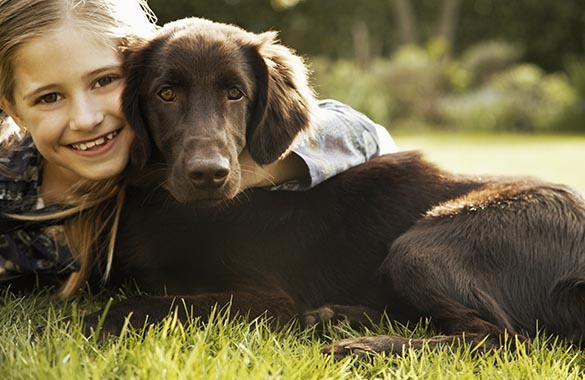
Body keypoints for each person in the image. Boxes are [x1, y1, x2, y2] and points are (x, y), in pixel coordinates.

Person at [0, 0, 397, 296]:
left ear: (136, 78)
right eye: (49, 97)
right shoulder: (10, 188)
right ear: (13, 109)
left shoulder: (160, 152)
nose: (85, 118)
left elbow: (366, 134)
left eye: (103, 81)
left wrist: (251, 169)